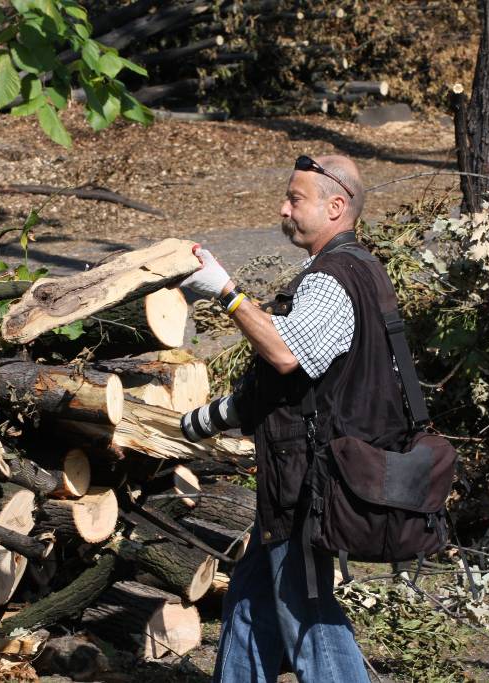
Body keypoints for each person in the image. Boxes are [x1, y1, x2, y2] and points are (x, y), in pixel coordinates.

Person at [180, 154, 412, 682]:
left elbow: (285, 354)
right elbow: (294, 383)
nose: (283, 208)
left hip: (311, 477)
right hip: (307, 471)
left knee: (305, 611)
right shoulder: (361, 270)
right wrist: (212, 418)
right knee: (252, 596)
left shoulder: (334, 278)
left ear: (336, 207)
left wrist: (226, 291)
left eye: (295, 199)